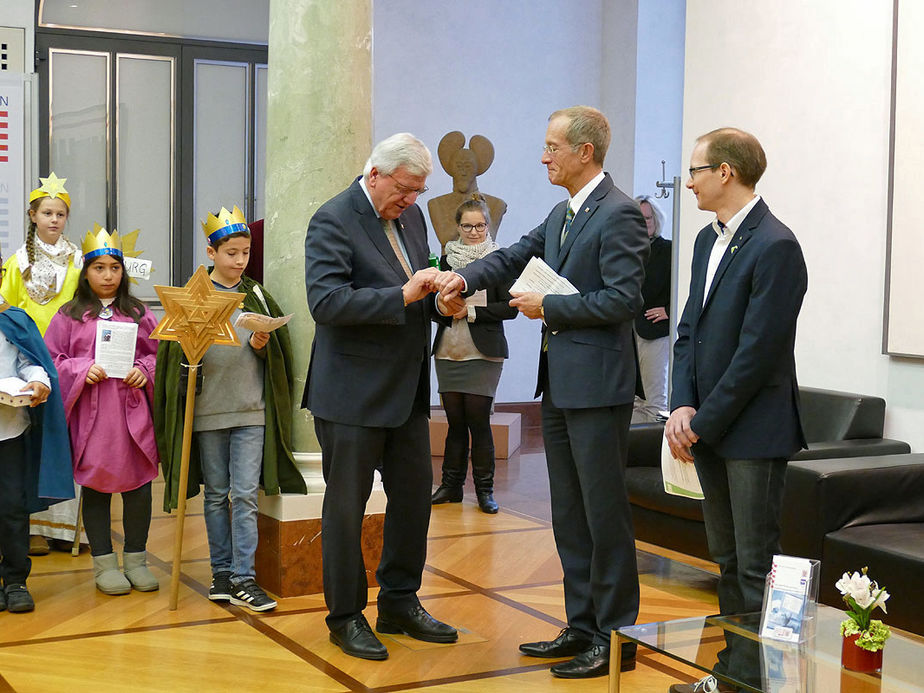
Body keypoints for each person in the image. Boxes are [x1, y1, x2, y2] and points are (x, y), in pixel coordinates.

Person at [435, 106, 649, 679]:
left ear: (585, 152)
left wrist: (548, 306)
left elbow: (623, 300)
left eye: (553, 146)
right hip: (560, 385)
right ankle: (581, 626)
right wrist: (463, 277)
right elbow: (510, 255)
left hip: (599, 388)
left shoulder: (620, 214)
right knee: (569, 514)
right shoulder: (561, 213)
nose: (543, 156)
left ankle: (615, 635)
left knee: (603, 515)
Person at [303, 133, 458, 661]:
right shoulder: (333, 218)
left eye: (418, 191)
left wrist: (442, 306)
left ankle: (399, 602)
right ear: (376, 175)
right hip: (350, 395)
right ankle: (345, 616)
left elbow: (417, 294)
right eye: (405, 189)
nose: (411, 201)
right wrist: (402, 295)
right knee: (346, 510)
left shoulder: (411, 218)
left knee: (415, 497)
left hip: (407, 391)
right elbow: (326, 302)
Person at [665, 127, 807, 693]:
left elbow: (758, 354)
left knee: (755, 566)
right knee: (725, 560)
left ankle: (766, 682)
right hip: (709, 426)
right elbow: (688, 331)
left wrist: (703, 421)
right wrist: (679, 404)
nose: (690, 181)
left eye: (696, 170)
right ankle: (734, 676)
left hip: (751, 432)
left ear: (725, 171)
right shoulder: (706, 239)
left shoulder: (777, 245)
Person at [154, 206, 306, 613]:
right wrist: (192, 353)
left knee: (245, 496)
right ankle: (221, 574)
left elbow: (276, 353)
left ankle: (244, 577)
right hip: (207, 413)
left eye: (245, 253)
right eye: (231, 253)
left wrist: (262, 345)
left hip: (251, 410)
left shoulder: (255, 294)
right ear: (211, 252)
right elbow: (173, 361)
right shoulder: (193, 296)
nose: (239, 261)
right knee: (216, 495)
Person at [45, 227, 161, 596]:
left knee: (139, 486)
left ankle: (137, 559)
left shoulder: (138, 313)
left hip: (131, 412)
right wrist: (81, 369)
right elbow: (52, 360)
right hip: (93, 417)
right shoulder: (68, 315)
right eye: (99, 268)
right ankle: (104, 562)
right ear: (86, 272)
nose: (108, 276)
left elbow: (159, 355)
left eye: (115, 268)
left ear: (123, 272)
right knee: (96, 486)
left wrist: (144, 371)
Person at [0, 173, 82, 556]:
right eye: (47, 212)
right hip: (28, 365)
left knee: (67, 441)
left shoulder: (81, 261)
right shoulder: (17, 262)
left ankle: (67, 530)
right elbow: (10, 316)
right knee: (29, 446)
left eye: (60, 213)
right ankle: (31, 527)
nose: (54, 219)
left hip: (68, 360)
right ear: (33, 215)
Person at [430, 198, 517, 514]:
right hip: (448, 351)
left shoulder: (499, 260)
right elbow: (429, 306)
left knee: (478, 423)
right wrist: (442, 307)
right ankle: (450, 487)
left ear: (488, 226)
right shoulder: (444, 260)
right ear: (457, 227)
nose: (474, 231)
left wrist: (472, 312)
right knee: (454, 423)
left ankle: (485, 491)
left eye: (480, 225)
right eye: (467, 226)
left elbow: (511, 307)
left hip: (484, 352)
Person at [0, 251, 73, 613]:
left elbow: (31, 362)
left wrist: (40, 382)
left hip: (9, 433)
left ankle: (15, 579)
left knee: (12, 507)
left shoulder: (12, 320)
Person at [633, 194, 672, 421]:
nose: (643, 223)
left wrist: (668, 309)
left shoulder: (668, 250)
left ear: (656, 220)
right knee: (633, 401)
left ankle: (652, 455)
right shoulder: (626, 251)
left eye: (647, 218)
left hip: (654, 333)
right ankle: (632, 454)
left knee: (654, 400)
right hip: (628, 331)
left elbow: (684, 286)